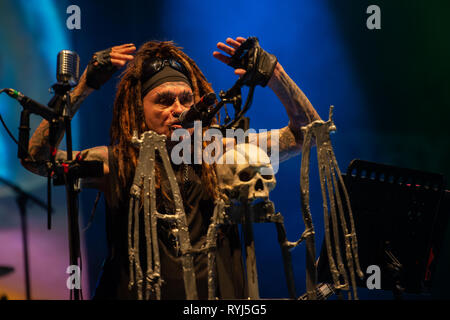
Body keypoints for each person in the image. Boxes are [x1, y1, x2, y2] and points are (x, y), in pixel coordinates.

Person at [22, 37, 321, 299]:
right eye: (164, 101)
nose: (178, 109)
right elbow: (36, 159)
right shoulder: (119, 162)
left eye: (186, 99)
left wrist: (275, 74)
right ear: (139, 109)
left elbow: (309, 134)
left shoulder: (217, 151)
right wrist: (84, 85)